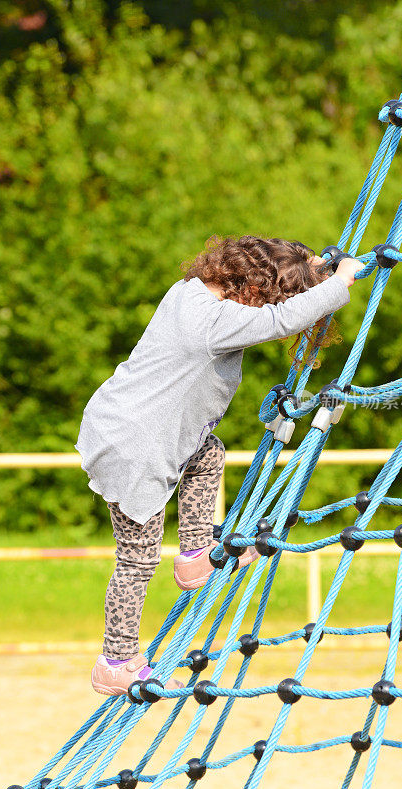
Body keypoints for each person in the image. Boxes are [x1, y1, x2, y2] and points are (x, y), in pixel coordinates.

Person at [75, 235, 362, 696]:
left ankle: (193, 555)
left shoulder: (188, 291)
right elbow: (280, 319)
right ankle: (116, 661)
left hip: (121, 425)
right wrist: (340, 282)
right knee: (137, 558)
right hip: (137, 447)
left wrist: (310, 266)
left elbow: (274, 307)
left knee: (208, 454)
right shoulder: (215, 321)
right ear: (257, 289)